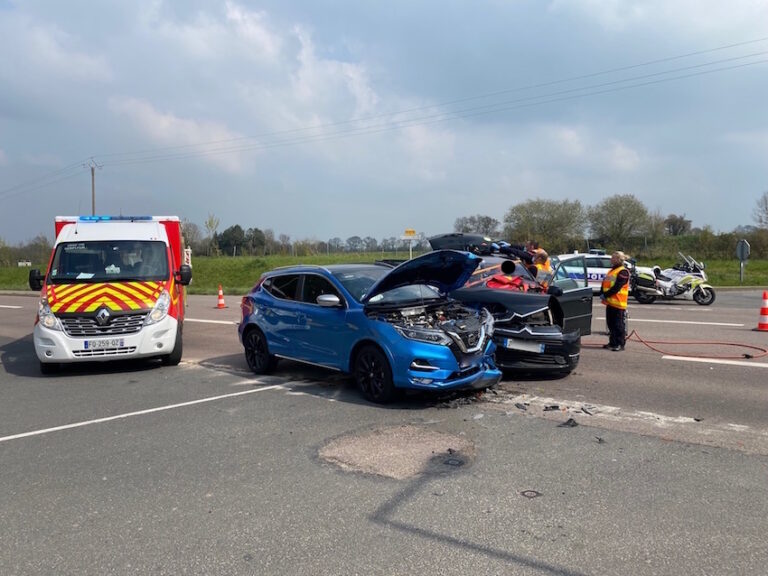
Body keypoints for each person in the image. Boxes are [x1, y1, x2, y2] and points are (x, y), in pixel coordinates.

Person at [600, 251, 630, 351]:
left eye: (613, 258)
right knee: (610, 324)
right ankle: (612, 342)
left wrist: (605, 294)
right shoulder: (612, 271)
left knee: (618, 325)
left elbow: (617, 287)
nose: (611, 259)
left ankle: (620, 344)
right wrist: (602, 292)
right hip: (610, 302)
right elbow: (605, 283)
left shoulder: (623, 271)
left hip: (618, 303)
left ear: (618, 259)